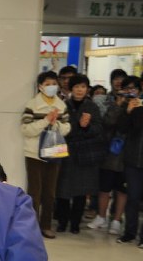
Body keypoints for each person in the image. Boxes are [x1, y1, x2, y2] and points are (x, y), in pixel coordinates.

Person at [21, 71, 70, 238]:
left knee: (50, 191)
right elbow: (26, 129)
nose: (51, 87)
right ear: (40, 86)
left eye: (53, 84)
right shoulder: (32, 104)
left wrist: (55, 122)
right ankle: (32, 226)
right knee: (34, 191)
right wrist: (45, 121)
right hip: (34, 153)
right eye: (47, 84)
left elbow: (67, 128)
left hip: (54, 151)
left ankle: (46, 225)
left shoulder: (61, 105)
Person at [55, 74, 104, 234]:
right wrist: (77, 126)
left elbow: (98, 130)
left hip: (85, 154)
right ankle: (62, 222)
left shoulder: (92, 107)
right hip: (65, 152)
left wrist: (86, 127)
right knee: (63, 190)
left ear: (87, 89)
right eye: (77, 87)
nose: (80, 90)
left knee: (81, 192)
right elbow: (60, 128)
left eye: (83, 87)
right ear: (71, 89)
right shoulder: (63, 105)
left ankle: (75, 223)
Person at [117, 68, 143, 249]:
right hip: (133, 160)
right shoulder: (135, 104)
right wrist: (127, 111)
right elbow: (122, 130)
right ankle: (129, 233)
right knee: (132, 198)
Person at [88, 75, 134, 235]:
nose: (129, 92)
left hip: (129, 155)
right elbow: (107, 123)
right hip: (109, 153)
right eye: (126, 88)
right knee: (104, 187)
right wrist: (118, 106)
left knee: (122, 190)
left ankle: (116, 220)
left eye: (132, 88)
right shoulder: (110, 102)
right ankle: (101, 216)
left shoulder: (141, 104)